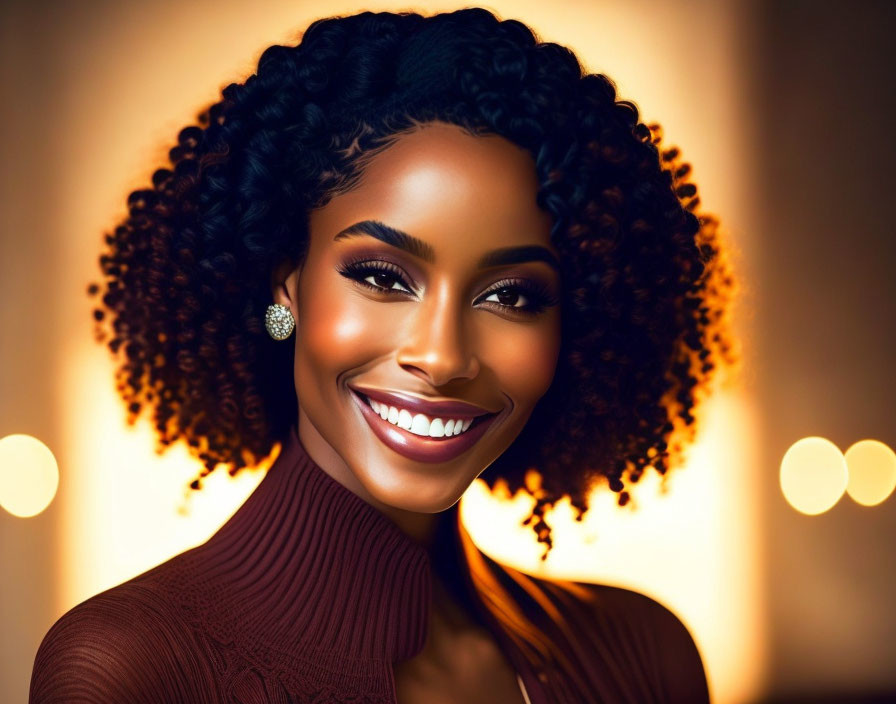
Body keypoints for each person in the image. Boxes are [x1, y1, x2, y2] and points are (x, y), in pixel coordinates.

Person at [29, 7, 736, 703]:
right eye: (382, 278)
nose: (442, 354)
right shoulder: (130, 670)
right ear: (289, 285)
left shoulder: (641, 655)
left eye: (512, 295)